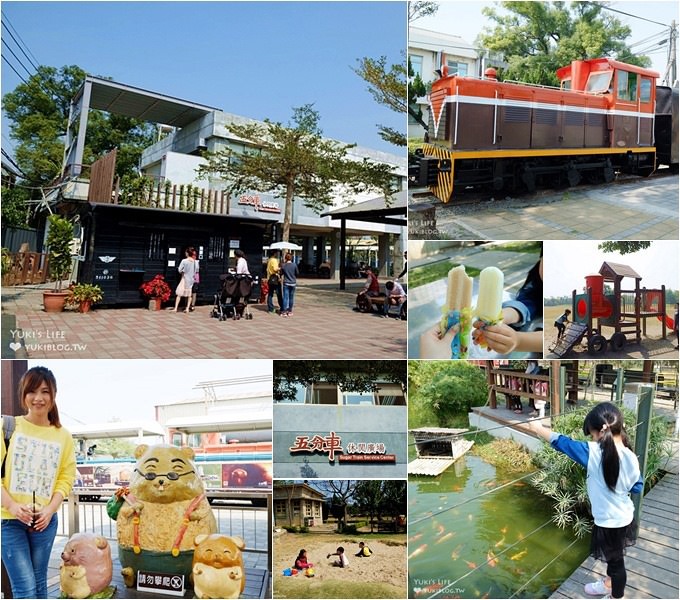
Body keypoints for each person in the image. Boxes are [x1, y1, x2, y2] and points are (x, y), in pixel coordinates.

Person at [529, 402, 641, 600]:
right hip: (624, 517)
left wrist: (538, 428)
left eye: (591, 434)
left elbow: (564, 443)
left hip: (609, 522)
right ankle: (608, 584)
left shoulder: (593, 452)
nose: (592, 438)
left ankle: (617, 597)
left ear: (599, 432)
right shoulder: (631, 456)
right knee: (614, 557)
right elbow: (637, 487)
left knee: (616, 564)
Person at [1, 366, 76, 599]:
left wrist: (49, 510)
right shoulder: (8, 427)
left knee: (40, 585)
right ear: (23, 395)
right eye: (32, 391)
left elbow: (66, 477)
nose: (38, 398)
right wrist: (13, 507)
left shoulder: (62, 435)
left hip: (45, 521)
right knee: (25, 588)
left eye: (45, 391)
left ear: (53, 395)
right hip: (9, 521)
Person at [472, 254, 544, 354]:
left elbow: (559, 338)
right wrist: (500, 316)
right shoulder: (537, 285)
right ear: (540, 258)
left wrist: (519, 340)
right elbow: (527, 304)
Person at [172, 246, 197, 313]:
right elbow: (196, 272)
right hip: (191, 280)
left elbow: (179, 270)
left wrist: (183, 271)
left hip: (184, 278)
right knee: (189, 295)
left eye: (186, 252)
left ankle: (175, 308)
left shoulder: (184, 261)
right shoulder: (195, 262)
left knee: (179, 294)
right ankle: (187, 308)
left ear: (188, 253)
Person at [281, 253, 299, 318]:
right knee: (291, 297)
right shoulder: (294, 265)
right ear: (291, 258)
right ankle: (290, 311)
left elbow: (281, 273)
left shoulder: (284, 265)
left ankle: (284, 312)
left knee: (285, 298)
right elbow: (297, 273)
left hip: (286, 282)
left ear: (285, 258)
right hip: (293, 282)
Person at [266, 250, 283, 315]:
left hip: (270, 279)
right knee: (279, 294)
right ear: (274, 253)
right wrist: (280, 267)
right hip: (275, 279)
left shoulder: (269, 260)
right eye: (276, 253)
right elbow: (275, 269)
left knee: (270, 294)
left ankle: (270, 308)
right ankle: (282, 307)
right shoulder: (274, 260)